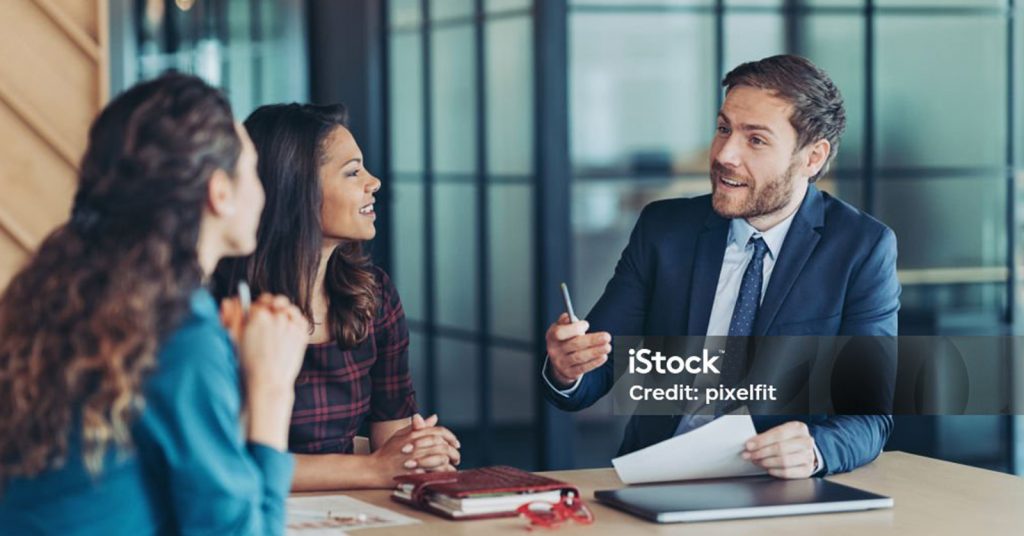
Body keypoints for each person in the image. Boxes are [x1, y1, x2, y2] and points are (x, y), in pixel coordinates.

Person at [542, 55, 900, 478]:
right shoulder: (664, 230)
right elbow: (596, 367)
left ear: (812, 158)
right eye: (724, 128)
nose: (725, 154)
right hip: (656, 476)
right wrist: (568, 369)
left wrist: (815, 449)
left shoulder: (861, 248)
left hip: (775, 488)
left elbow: (870, 418)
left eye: (756, 140)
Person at [0, 73, 309, 534]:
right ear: (219, 193)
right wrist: (271, 389)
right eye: (254, 171)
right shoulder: (181, 332)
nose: (262, 191)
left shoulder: (60, 298)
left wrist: (236, 385)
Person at [214, 103, 460, 491]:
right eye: (353, 172)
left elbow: (392, 440)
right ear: (297, 188)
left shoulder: (373, 295)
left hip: (351, 515)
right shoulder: (223, 304)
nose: (374, 181)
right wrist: (374, 469)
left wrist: (418, 450)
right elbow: (221, 463)